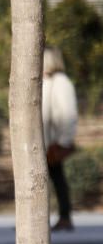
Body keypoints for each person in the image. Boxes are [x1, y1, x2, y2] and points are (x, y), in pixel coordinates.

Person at [42, 47, 78, 232]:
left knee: (57, 179)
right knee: (52, 180)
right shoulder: (47, 81)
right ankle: (61, 217)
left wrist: (63, 141)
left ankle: (65, 216)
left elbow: (67, 114)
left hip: (53, 143)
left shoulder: (61, 82)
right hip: (46, 142)